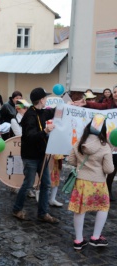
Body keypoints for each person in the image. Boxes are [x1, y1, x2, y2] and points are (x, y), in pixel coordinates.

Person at [12, 87, 59, 223]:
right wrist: (45, 131)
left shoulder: (41, 112)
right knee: (28, 184)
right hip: (31, 156)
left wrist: (70, 106)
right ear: (41, 100)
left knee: (46, 184)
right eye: (45, 98)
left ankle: (43, 213)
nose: (46, 100)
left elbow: (52, 112)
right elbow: (30, 136)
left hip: (41, 155)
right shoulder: (30, 116)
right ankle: (17, 209)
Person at [68, 114, 114, 249]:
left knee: (79, 209)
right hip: (98, 182)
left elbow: (71, 160)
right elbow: (109, 169)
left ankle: (79, 240)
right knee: (103, 207)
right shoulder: (105, 146)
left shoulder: (79, 143)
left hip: (81, 181)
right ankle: (95, 237)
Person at [75, 84, 117, 201]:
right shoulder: (108, 104)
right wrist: (87, 104)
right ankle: (107, 187)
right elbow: (99, 106)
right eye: (114, 92)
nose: (115, 94)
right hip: (109, 139)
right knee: (111, 166)